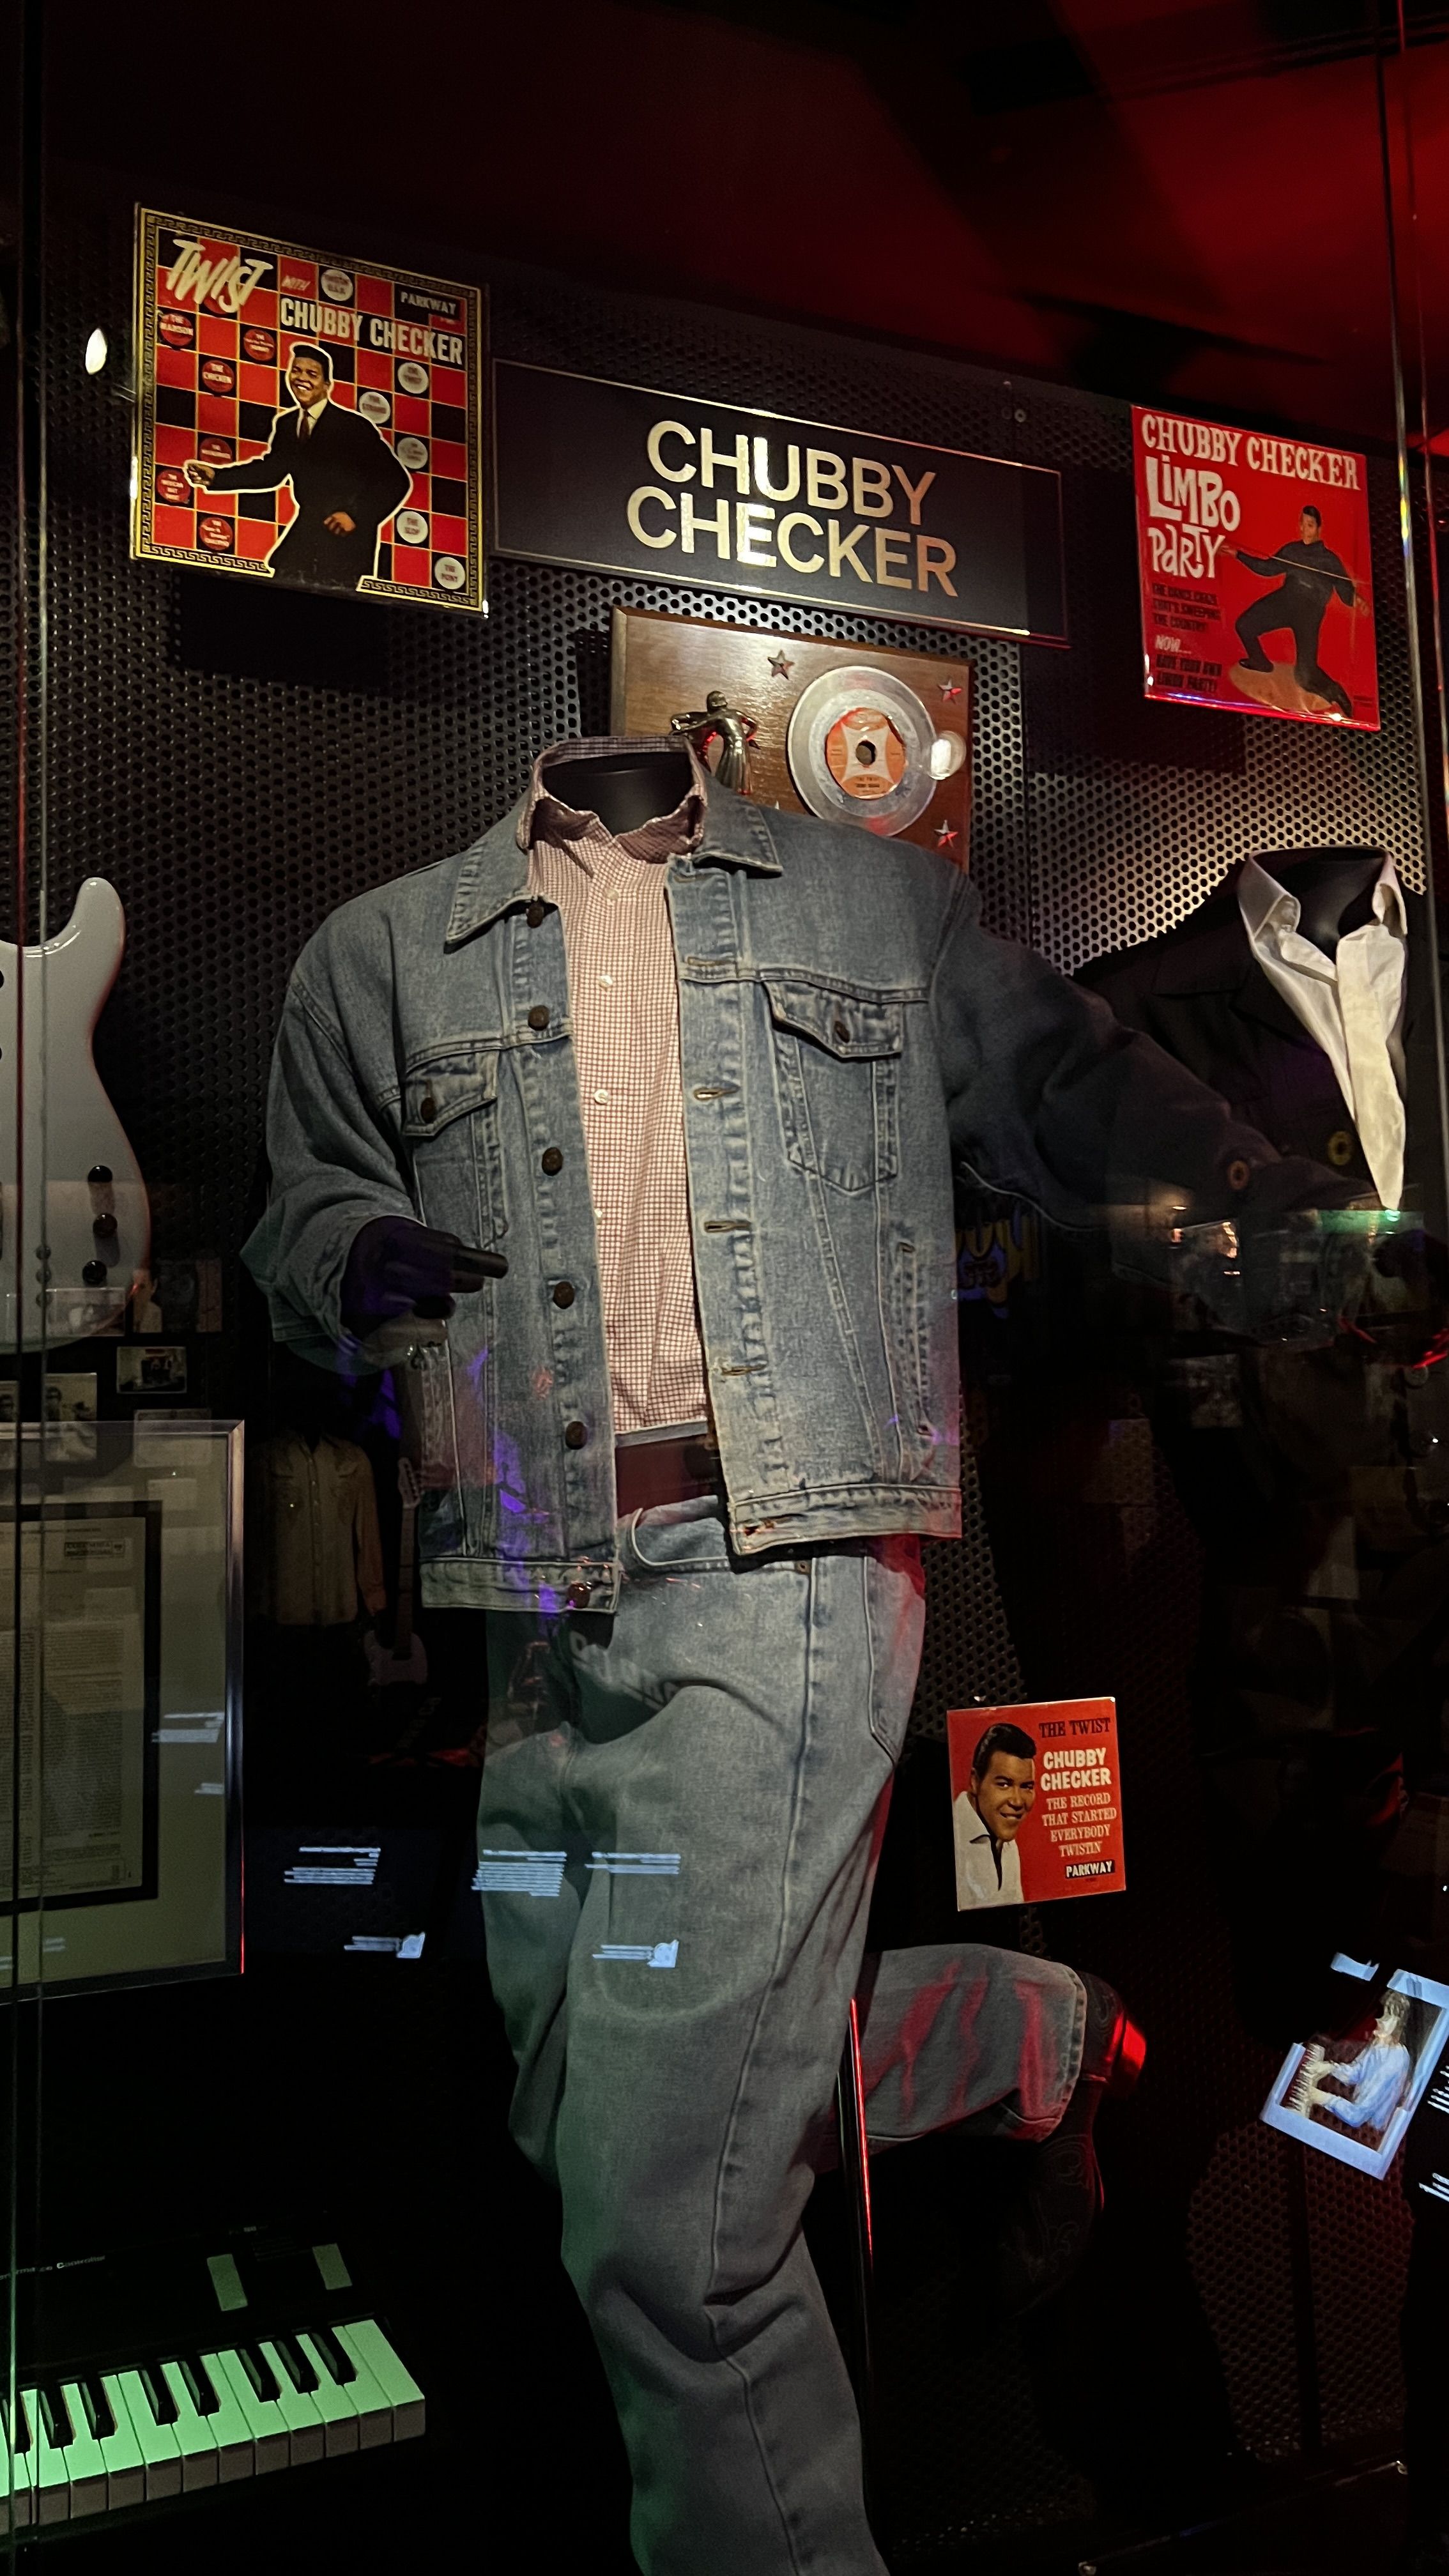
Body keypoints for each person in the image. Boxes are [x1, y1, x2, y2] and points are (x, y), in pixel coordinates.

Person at [243, 734, 1353, 2576]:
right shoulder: (385, 947)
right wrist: (344, 1243)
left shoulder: (876, 907)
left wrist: (1292, 1215)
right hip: (523, 1572)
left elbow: (1074, 1098)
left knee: (674, 2232)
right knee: (568, 2098)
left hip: (794, 1545)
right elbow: (305, 1187)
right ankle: (1015, 2032)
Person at [185, 342, 410, 592]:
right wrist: (217, 477)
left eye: (312, 374)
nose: (301, 379)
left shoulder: (353, 426)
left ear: (327, 385)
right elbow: (271, 471)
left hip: (345, 546)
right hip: (306, 533)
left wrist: (356, 516)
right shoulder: (287, 423)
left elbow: (395, 480)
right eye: (296, 371)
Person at [1233, 504, 1357, 720]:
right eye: (1302, 523)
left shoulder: (1330, 560)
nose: (1304, 529)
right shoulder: (1292, 550)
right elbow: (1267, 568)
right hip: (1286, 599)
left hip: (1310, 612)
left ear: (1319, 528)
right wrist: (1238, 554)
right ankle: (1260, 662)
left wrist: (1358, 600)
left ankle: (1335, 692)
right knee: (1244, 624)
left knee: (1305, 677)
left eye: (1309, 525)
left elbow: (1346, 592)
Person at [1305, 1989, 1414, 2138]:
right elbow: (1356, 2073)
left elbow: (1356, 2116)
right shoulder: (1380, 2043)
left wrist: (1322, 2097)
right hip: (1355, 2118)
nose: (1380, 2019)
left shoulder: (1396, 2060)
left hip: (1367, 2133)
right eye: (1381, 2012)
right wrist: (1330, 2067)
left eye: (1388, 2015)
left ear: (1399, 2022)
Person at [954, 1719, 1037, 1907]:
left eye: (1027, 1787)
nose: (1017, 1801)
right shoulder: (951, 1839)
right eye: (1004, 1784)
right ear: (975, 1782)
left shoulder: (1006, 1842)